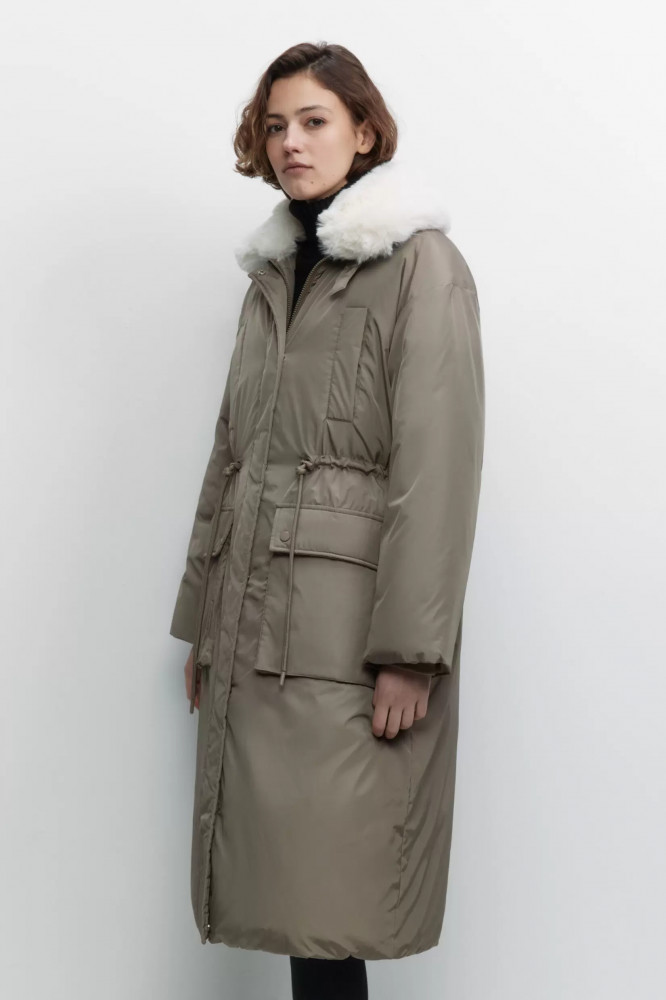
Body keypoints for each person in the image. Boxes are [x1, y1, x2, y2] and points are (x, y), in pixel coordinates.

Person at [170, 41, 485, 1000]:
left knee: (329, 899)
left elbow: (439, 468)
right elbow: (233, 454)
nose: (291, 143)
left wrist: (413, 653)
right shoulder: (272, 277)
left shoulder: (421, 266)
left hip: (348, 640)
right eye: (276, 126)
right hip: (257, 627)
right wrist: (204, 621)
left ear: (365, 132)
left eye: (314, 121)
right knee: (299, 906)